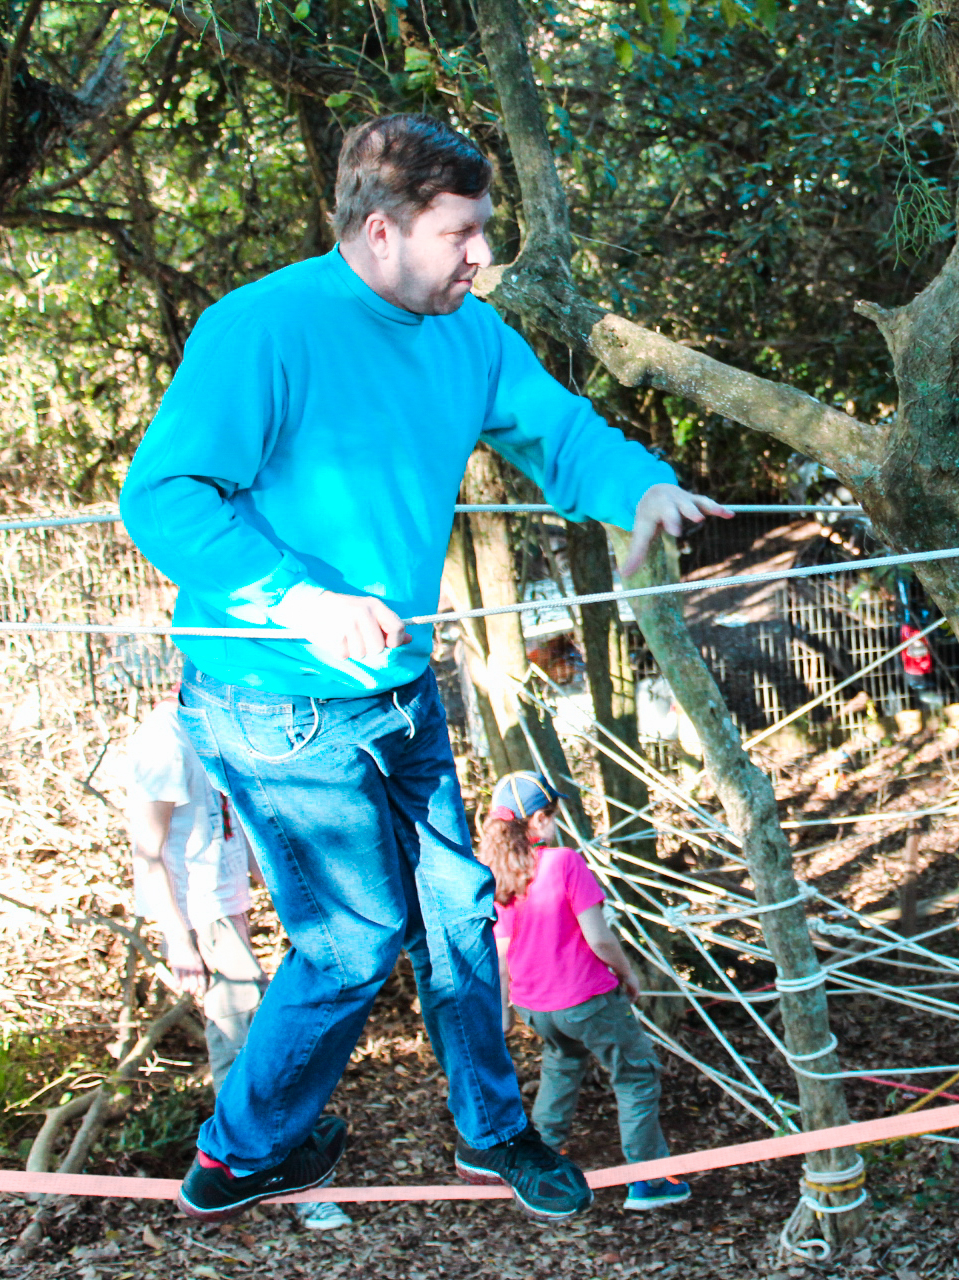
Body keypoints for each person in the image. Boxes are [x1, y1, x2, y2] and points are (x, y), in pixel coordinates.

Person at [118, 112, 730, 1225]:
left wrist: (638, 485)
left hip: (396, 689)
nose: (482, 255)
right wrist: (298, 600)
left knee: (459, 905)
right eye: (463, 233)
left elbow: (556, 431)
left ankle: (492, 1131)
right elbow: (162, 500)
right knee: (352, 941)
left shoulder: (470, 335)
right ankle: (239, 1153)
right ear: (383, 232)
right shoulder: (260, 329)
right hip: (273, 703)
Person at [114, 696, 355, 1231]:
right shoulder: (164, 738)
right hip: (203, 916)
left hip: (229, 906)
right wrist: (179, 938)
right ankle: (258, 1172)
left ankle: (257, 1167)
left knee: (261, 1040)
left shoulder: (213, 723)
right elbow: (147, 853)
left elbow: (235, 822)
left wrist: (289, 896)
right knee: (249, 1043)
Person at [478, 772, 689, 1211]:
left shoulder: (500, 876)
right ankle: (648, 1180)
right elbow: (599, 938)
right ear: (539, 820)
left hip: (536, 1008)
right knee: (635, 1074)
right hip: (586, 999)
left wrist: (503, 1013)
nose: (556, 823)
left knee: (562, 1064)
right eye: (552, 814)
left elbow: (500, 956)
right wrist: (627, 974)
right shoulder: (563, 862)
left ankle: (538, 1172)